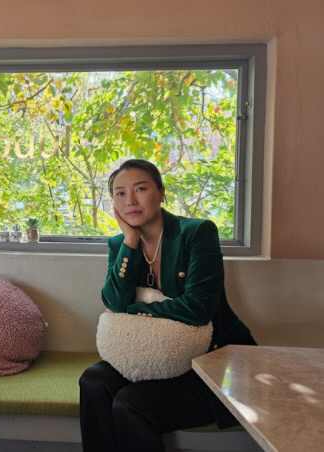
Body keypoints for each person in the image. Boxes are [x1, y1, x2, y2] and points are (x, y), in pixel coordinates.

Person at [79, 159, 256, 452]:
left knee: (129, 403)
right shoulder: (119, 244)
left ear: (161, 193)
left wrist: (133, 311)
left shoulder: (197, 232)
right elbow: (113, 301)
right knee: (93, 381)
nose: (130, 200)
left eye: (140, 189)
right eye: (120, 193)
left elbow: (197, 309)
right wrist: (130, 241)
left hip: (210, 362)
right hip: (153, 355)